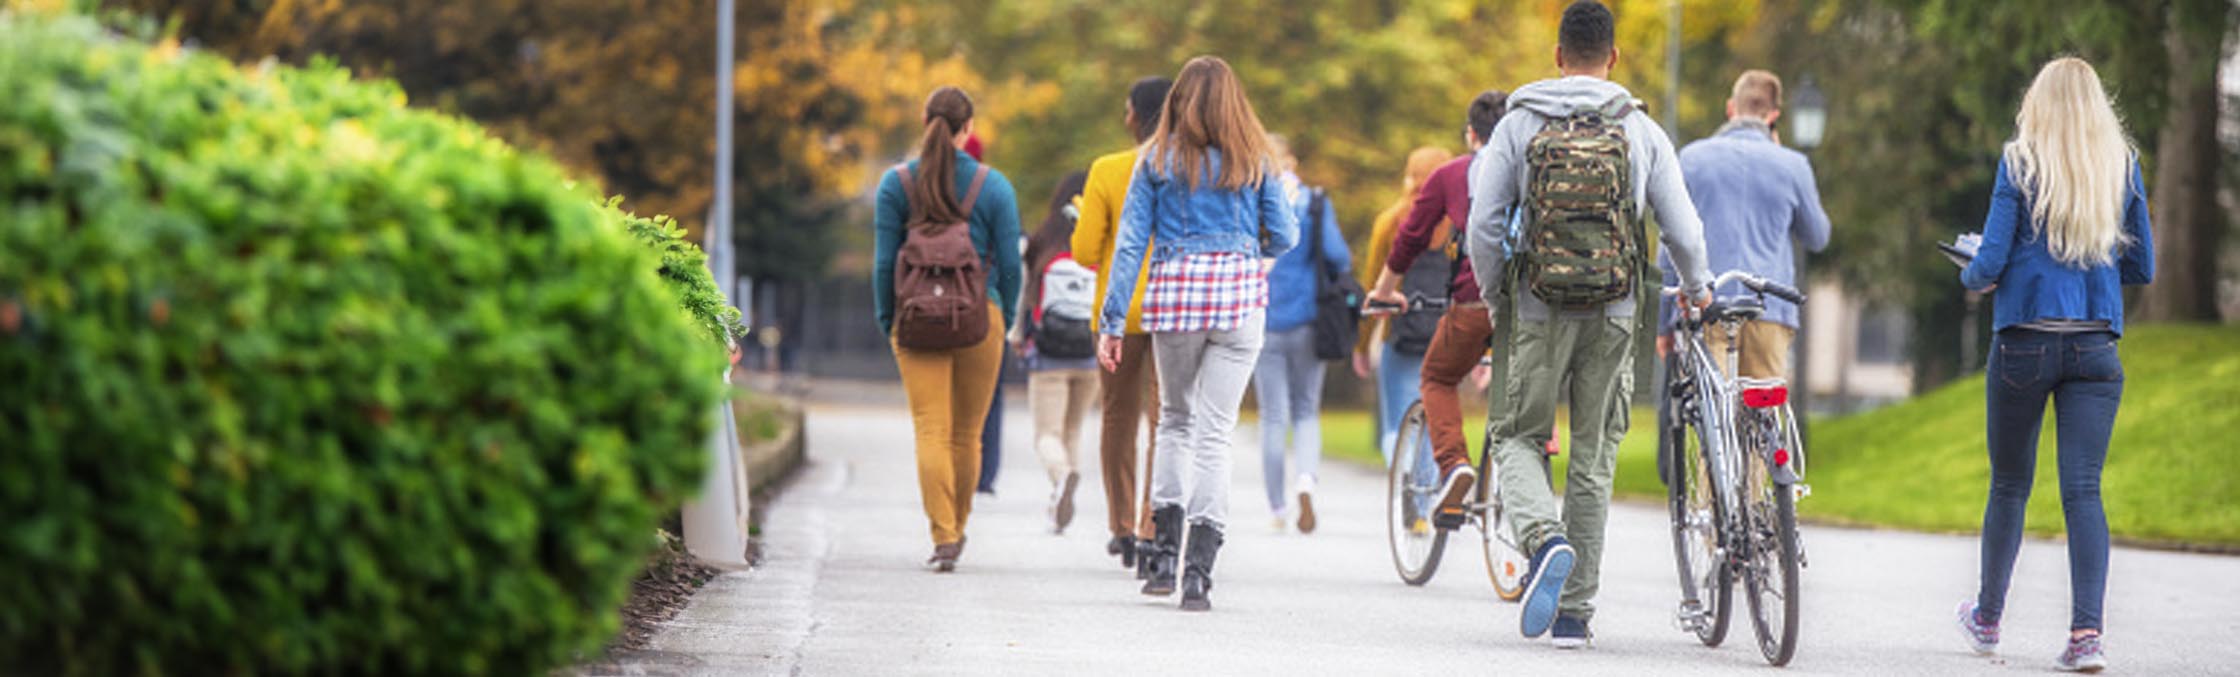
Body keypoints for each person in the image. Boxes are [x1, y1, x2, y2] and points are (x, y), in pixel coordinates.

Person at [1462, 0, 1712, 647]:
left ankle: (1543, 541)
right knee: (1595, 454)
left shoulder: (1518, 124)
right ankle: (1574, 613)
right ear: (1614, 55)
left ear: (1556, 54)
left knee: (1516, 433)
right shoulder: (1640, 130)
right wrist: (1701, 287)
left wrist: (1498, 301)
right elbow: (1683, 228)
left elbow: (1483, 228)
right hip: (1617, 306)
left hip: (1537, 304)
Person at [1954, 56, 2152, 674]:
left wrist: (1970, 273)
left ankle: (1987, 620)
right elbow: (2142, 267)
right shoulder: (2122, 166)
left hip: (2025, 343)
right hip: (2096, 348)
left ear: (2037, 102)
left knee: (2010, 485)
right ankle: (2086, 635)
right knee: (2083, 491)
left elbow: (1988, 264)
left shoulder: (2021, 161)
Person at [1097, 55, 1297, 612]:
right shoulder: (1255, 159)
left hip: (1175, 301)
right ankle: (1199, 574)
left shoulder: (1157, 160)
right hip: (1237, 303)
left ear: (1177, 103)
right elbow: (1283, 236)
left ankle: (1161, 555)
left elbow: (1131, 245)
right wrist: (1243, 251)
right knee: (1215, 433)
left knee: (1175, 424)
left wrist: (1113, 322)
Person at [872, 86, 1023, 572]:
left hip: (915, 321)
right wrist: (1007, 313)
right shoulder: (993, 186)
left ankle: (944, 535)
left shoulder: (897, 185)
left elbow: (882, 264)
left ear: (924, 119)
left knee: (930, 429)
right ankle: (957, 526)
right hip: (982, 318)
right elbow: (1011, 268)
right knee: (968, 435)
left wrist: (886, 316)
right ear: (968, 128)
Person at [1366, 91, 1510, 531]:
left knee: (1437, 377)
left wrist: (1385, 290)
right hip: (1532, 309)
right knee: (1524, 393)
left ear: (1471, 135)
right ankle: (1541, 447)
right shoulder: (1532, 172)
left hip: (1474, 301)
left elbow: (1408, 239)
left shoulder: (1452, 175)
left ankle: (1454, 467)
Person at [1655, 69, 1831, 379]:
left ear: (1730, 108)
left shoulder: (1691, 159)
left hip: (1706, 305)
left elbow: (1669, 244)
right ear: (1773, 115)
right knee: (1764, 406)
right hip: (1770, 309)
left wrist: (1663, 323)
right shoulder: (1793, 166)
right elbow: (1817, 236)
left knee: (1714, 410)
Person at [1074, 75, 1174, 575]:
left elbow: (1085, 250)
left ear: (1133, 115)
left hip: (1117, 312)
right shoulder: (1188, 169)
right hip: (1174, 307)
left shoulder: (1109, 170)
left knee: (1118, 418)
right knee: (1166, 421)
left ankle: (1120, 526)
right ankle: (1154, 524)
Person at [1252, 134, 1350, 535]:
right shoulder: (1312, 202)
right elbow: (1338, 255)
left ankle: (1277, 508)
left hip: (1264, 317)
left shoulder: (1252, 199)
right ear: (1291, 160)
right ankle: (1306, 480)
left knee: (1273, 416)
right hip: (1309, 317)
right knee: (1306, 408)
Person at [1014, 171, 1100, 534]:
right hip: (1090, 353)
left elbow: (1024, 294)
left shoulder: (1042, 241)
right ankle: (1060, 502)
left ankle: (1062, 478)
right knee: (1073, 430)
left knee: (1046, 434)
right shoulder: (1097, 242)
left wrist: (1018, 334)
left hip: (1049, 353)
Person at [1356, 146, 1453, 463]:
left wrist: (1361, 345)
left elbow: (1373, 286)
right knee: (1433, 419)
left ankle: (1404, 477)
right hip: (1446, 335)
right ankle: (1428, 496)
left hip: (1401, 333)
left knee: (1397, 423)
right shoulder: (1457, 223)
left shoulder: (1391, 222)